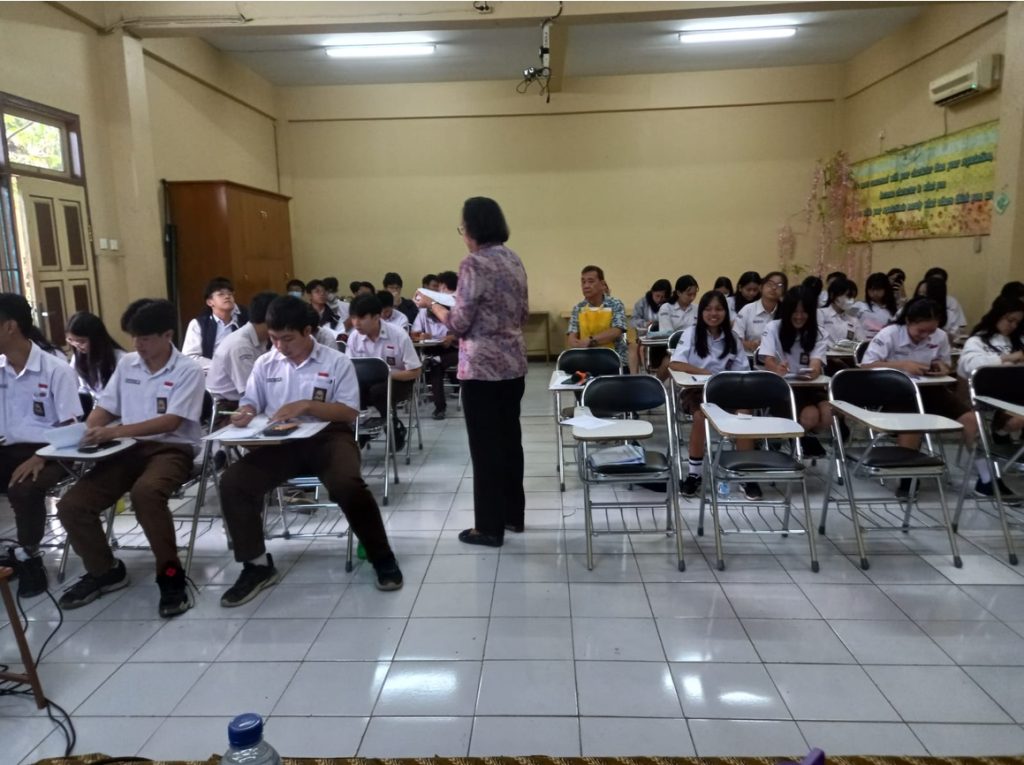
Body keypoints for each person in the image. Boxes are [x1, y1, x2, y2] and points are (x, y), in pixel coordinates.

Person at [217, 295, 404, 604]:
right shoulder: (265, 363)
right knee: (233, 482)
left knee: (347, 484)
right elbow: (251, 402)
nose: (280, 346)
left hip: (328, 438)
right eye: (274, 338)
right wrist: (245, 413)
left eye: (287, 338)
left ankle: (381, 555)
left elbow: (348, 412)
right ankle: (256, 565)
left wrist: (307, 405)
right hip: (280, 442)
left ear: (308, 331)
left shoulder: (336, 361)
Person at [57, 299, 205, 617]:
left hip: (172, 449)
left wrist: (113, 431)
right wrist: (87, 430)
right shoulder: (128, 365)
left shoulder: (188, 370)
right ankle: (105, 571)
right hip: (126, 449)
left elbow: (171, 422)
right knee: (72, 505)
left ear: (167, 335)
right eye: (134, 337)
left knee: (146, 493)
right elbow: (106, 407)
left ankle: (171, 576)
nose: (138, 344)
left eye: (145, 338)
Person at [414, 196, 527, 547]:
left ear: (473, 229)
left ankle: (488, 527)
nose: (463, 235)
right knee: (509, 442)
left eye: (462, 228)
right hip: (513, 364)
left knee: (485, 448)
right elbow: (523, 313)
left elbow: (459, 324)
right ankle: (513, 515)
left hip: (482, 369)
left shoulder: (473, 263)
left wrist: (432, 305)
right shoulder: (513, 259)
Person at [0, 294, 83, 598]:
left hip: (54, 452)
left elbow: (71, 429)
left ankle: (30, 557)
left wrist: (40, 456)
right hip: (8, 448)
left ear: (10, 326)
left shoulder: (55, 369)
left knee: (23, 488)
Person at [861, 298, 987, 498]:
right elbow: (866, 365)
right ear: (908, 321)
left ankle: (986, 477)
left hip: (931, 389)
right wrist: (902, 365)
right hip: (895, 390)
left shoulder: (940, 336)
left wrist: (940, 368)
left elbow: (945, 363)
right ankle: (908, 477)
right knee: (913, 424)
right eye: (921, 331)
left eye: (931, 331)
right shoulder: (890, 334)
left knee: (971, 420)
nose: (926, 336)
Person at [668, 291, 750, 498]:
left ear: (726, 312)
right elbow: (675, 363)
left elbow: (743, 370)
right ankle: (694, 474)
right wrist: (704, 372)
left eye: (719, 309)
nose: (714, 313)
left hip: (726, 388)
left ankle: (745, 474)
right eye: (708, 309)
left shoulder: (733, 338)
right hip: (696, 390)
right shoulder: (691, 333)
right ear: (701, 312)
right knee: (700, 417)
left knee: (745, 413)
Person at [760, 287, 831, 457]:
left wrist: (813, 372)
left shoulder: (819, 333)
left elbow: (816, 364)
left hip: (808, 386)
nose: (799, 316)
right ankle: (798, 443)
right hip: (782, 387)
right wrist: (777, 368)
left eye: (804, 312)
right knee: (811, 416)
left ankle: (802, 437)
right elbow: (768, 360)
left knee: (828, 414)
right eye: (795, 312)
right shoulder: (773, 328)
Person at [345, 293, 421, 451]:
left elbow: (415, 371)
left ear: (376, 317)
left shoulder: (398, 335)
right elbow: (349, 369)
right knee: (352, 390)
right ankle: (361, 427)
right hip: (366, 385)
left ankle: (392, 425)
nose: (356, 323)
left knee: (379, 390)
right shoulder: (354, 338)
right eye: (353, 318)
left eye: (361, 318)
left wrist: (385, 374)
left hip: (399, 381)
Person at [208, 292, 277, 405]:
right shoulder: (240, 346)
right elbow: (252, 392)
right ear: (270, 319)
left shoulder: (262, 338)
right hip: (228, 406)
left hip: (247, 400)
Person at [181, 277, 249, 372]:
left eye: (230, 294)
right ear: (210, 302)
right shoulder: (198, 324)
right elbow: (190, 356)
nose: (227, 296)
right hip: (211, 375)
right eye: (221, 294)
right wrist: (221, 366)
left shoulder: (245, 320)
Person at [566, 265, 628, 369]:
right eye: (583, 282)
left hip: (614, 360)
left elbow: (617, 330)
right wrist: (576, 343)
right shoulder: (578, 308)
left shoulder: (615, 304)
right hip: (585, 359)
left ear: (602, 284)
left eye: (591, 281)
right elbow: (572, 336)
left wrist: (590, 340)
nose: (586, 286)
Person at [412, 300, 459, 420]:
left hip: (452, 349)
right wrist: (421, 335)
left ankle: (440, 409)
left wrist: (452, 337)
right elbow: (414, 333)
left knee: (457, 356)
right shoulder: (423, 313)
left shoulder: (454, 311)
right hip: (432, 349)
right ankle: (440, 408)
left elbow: (465, 333)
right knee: (435, 368)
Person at [66, 311, 126, 402]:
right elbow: (74, 384)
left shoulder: (121, 359)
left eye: (82, 341)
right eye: (71, 340)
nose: (77, 346)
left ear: (97, 338)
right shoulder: (77, 357)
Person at [735, 271, 787, 352]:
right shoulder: (747, 310)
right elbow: (735, 339)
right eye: (770, 284)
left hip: (778, 358)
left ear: (784, 291)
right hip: (751, 357)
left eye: (779, 285)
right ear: (761, 287)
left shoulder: (786, 312)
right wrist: (749, 344)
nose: (774, 288)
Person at [629, 278, 671, 374]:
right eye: (657, 296)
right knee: (641, 349)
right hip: (645, 338)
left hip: (664, 339)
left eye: (663, 297)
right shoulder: (642, 303)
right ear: (652, 292)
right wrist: (645, 323)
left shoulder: (669, 304)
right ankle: (645, 373)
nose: (659, 299)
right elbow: (633, 321)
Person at [923, 267, 968, 336]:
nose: (936, 284)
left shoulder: (952, 303)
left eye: (939, 281)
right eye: (933, 281)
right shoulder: (919, 302)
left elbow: (960, 326)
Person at [818, 277, 861, 346]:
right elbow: (818, 339)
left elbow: (861, 341)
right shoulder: (820, 314)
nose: (851, 300)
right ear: (833, 295)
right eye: (848, 296)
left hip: (847, 352)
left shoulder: (853, 320)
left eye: (853, 297)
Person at [855, 272, 898, 340]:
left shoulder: (892, 310)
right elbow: (846, 320)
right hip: (860, 342)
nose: (875, 293)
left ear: (886, 289)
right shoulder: (858, 305)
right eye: (871, 289)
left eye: (878, 289)